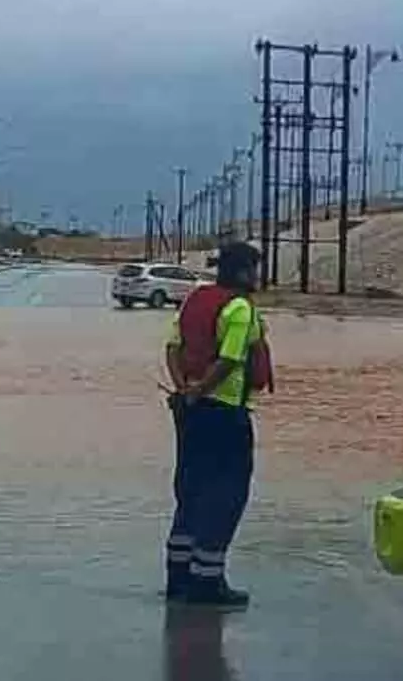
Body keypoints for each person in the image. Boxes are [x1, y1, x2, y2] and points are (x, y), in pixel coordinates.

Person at [162, 241, 272, 608]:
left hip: (189, 412)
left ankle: (178, 578)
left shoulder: (195, 300)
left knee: (190, 491)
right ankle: (207, 582)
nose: (257, 276)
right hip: (225, 413)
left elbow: (172, 348)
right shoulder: (240, 308)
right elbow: (229, 359)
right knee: (225, 495)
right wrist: (199, 391)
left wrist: (184, 389)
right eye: (254, 269)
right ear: (243, 272)